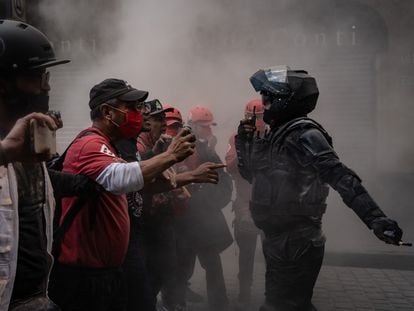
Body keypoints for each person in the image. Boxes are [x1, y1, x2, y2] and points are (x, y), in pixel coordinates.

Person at [235, 66, 404, 311]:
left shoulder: (306, 134)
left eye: (268, 98)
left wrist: (375, 218)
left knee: (283, 306)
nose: (264, 104)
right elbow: (252, 176)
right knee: (284, 304)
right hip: (277, 238)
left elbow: (341, 177)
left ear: (286, 100)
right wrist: (245, 141)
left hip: (297, 240)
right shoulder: (277, 134)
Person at [48, 79, 197, 311]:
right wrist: (170, 156)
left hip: (104, 271)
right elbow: (120, 177)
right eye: (131, 107)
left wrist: (181, 172)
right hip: (84, 275)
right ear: (108, 112)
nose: (140, 113)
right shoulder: (90, 143)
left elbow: (134, 185)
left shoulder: (110, 144)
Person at [0, 19, 70, 311]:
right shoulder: (10, 148)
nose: (47, 86)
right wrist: (5, 153)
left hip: (34, 298)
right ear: (4, 84)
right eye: (38, 76)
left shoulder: (30, 146)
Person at [173, 105, 233, 311]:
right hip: (181, 219)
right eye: (203, 126)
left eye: (209, 126)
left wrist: (213, 201)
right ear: (191, 126)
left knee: (212, 264)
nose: (207, 129)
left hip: (203, 219)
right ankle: (176, 302)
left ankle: (220, 304)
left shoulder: (206, 149)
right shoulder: (174, 147)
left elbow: (223, 179)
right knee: (181, 264)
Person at [225, 99, 266, 308]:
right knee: (247, 252)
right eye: (255, 117)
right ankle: (244, 289)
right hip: (245, 203)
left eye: (260, 117)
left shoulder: (274, 137)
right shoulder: (236, 138)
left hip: (270, 204)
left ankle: (273, 291)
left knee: (272, 251)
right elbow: (230, 167)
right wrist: (243, 142)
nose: (258, 122)